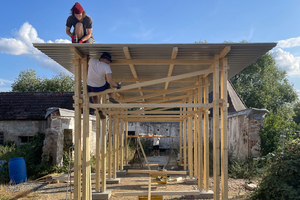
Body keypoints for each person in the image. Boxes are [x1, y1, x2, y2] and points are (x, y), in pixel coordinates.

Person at [87, 52, 121, 119]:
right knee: (108, 85)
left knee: (94, 95)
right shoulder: (106, 66)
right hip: (101, 86)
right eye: (108, 60)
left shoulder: (92, 60)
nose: (108, 62)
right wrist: (117, 85)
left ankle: (98, 109)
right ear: (103, 59)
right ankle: (110, 97)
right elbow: (110, 81)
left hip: (91, 87)